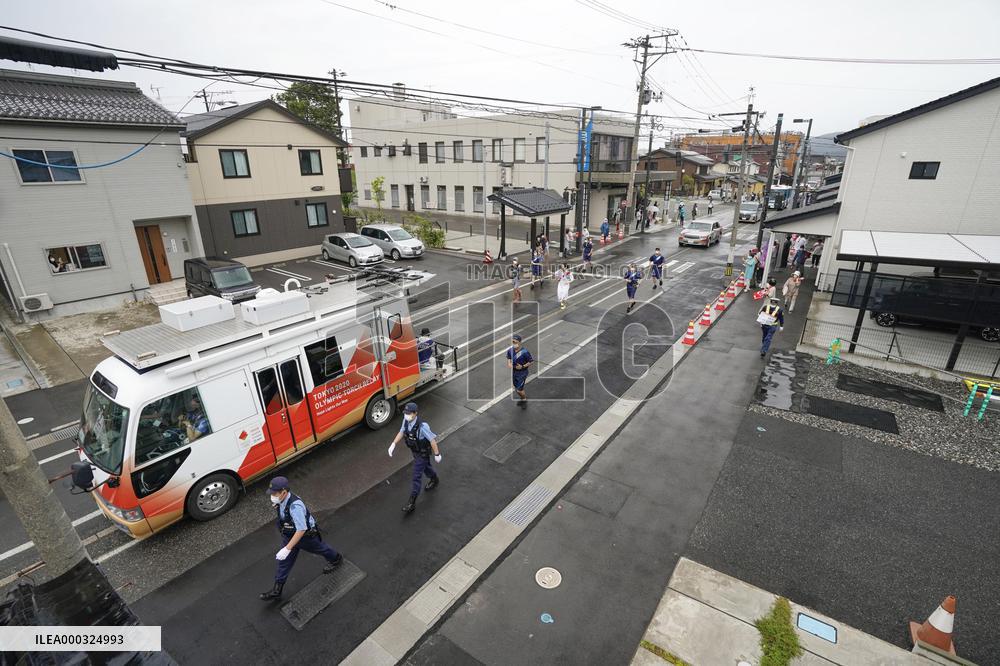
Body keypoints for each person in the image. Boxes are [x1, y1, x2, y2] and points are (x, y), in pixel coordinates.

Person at [259, 476, 343, 601]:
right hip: (289, 535)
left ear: (284, 492)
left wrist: (288, 548)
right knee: (283, 563)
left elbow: (301, 529)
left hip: (305, 537)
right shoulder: (281, 500)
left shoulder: (295, 507)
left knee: (321, 549)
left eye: (275, 493)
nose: (272, 496)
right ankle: (277, 590)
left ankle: (336, 559)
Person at [388, 402, 441, 514]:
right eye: (405, 413)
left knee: (416, 476)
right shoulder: (406, 421)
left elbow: (432, 440)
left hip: (422, 454)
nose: (406, 415)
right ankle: (434, 478)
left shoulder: (423, 426)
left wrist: (437, 454)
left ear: (415, 413)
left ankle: (411, 502)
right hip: (415, 453)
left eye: (409, 413)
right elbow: (402, 431)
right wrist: (393, 444)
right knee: (426, 467)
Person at [506, 334, 533, 408]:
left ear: (520, 342)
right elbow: (508, 357)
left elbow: (531, 361)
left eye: (515, 342)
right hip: (514, 372)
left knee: (519, 390)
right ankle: (522, 398)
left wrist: (522, 366)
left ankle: (524, 400)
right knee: (516, 387)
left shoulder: (525, 352)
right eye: (512, 342)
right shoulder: (510, 350)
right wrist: (509, 363)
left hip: (522, 373)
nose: (514, 343)